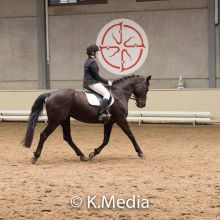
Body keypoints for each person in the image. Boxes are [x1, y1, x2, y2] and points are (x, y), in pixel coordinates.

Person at [83, 44, 112, 122]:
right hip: (92, 83)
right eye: (97, 52)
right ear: (93, 53)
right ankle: (102, 114)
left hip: (88, 82)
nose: (98, 53)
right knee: (107, 94)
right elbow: (97, 77)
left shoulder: (87, 61)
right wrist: (107, 82)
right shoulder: (93, 62)